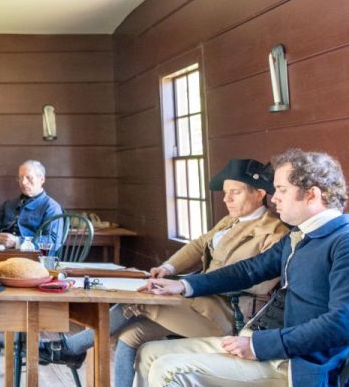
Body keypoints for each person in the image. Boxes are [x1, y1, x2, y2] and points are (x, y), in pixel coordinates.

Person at [56, 158, 289, 386]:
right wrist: (168, 267)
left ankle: (71, 347)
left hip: (230, 315)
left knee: (141, 301)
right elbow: (198, 245)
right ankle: (74, 351)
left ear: (259, 193)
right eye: (226, 192)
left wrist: (192, 283)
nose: (226, 198)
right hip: (199, 304)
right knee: (130, 336)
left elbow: (259, 283)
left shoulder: (275, 233)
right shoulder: (230, 221)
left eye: (235, 192)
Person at [136, 149, 349, 386]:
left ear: (311, 195)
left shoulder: (343, 242)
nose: (274, 198)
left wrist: (258, 346)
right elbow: (249, 270)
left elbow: (341, 323)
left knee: (169, 369)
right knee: (149, 353)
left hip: (297, 363)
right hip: (261, 341)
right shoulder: (299, 235)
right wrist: (184, 285)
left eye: (282, 190)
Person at [0, 160, 64, 250]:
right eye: (21, 178)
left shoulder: (51, 207)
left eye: (29, 177)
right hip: (1, 250)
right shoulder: (9, 204)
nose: (23, 182)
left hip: (29, 254)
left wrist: (18, 242)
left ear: (41, 179)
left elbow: (53, 241)